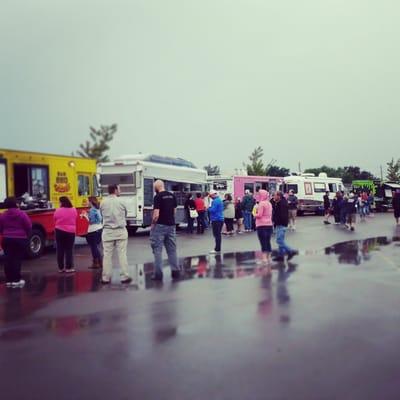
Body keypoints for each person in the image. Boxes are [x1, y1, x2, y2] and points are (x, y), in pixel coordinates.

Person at [100, 185, 132, 284]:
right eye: (119, 189)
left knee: (107, 255)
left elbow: (102, 214)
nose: (120, 190)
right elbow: (126, 214)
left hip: (107, 231)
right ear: (115, 190)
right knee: (122, 254)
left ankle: (106, 277)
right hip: (120, 231)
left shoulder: (103, 202)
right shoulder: (122, 201)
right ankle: (124, 276)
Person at [150, 180, 181, 281]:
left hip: (160, 226)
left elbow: (156, 214)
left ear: (157, 187)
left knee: (157, 250)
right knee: (172, 249)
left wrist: (153, 225)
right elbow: (174, 211)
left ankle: (158, 274)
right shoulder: (172, 196)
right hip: (171, 225)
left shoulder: (158, 197)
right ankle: (175, 271)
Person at [0, 197, 32, 287]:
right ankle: (16, 280)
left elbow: (0, 228)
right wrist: (26, 235)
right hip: (20, 239)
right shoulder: (22, 214)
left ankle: (9, 280)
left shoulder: (3, 215)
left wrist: (5, 233)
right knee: (17, 259)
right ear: (15, 204)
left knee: (8, 259)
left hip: (7, 239)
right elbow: (28, 226)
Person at [54, 196, 78, 273]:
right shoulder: (74, 209)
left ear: (61, 202)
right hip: (70, 232)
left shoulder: (58, 210)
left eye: (59, 202)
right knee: (69, 250)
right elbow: (75, 217)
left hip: (59, 231)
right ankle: (68, 268)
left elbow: (55, 218)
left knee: (60, 249)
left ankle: (60, 268)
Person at [272, 191, 298, 262]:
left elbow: (283, 216)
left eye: (274, 195)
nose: (273, 197)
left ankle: (291, 251)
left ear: (278, 196)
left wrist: (276, 221)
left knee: (279, 240)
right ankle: (281, 256)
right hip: (279, 224)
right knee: (281, 240)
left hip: (281, 224)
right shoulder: (279, 202)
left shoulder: (282, 204)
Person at [255, 190, 273, 271]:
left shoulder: (261, 204)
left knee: (263, 242)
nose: (258, 195)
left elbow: (259, 215)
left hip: (261, 225)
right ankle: (269, 258)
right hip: (269, 224)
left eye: (259, 194)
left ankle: (264, 259)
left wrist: (254, 214)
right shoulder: (269, 203)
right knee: (268, 241)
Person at [85, 196, 103, 269]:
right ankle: (99, 262)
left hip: (93, 230)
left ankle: (97, 263)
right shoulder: (97, 209)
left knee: (93, 247)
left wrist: (85, 216)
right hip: (99, 228)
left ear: (90, 202)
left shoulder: (92, 210)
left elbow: (91, 221)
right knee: (96, 246)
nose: (86, 202)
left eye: (87, 201)